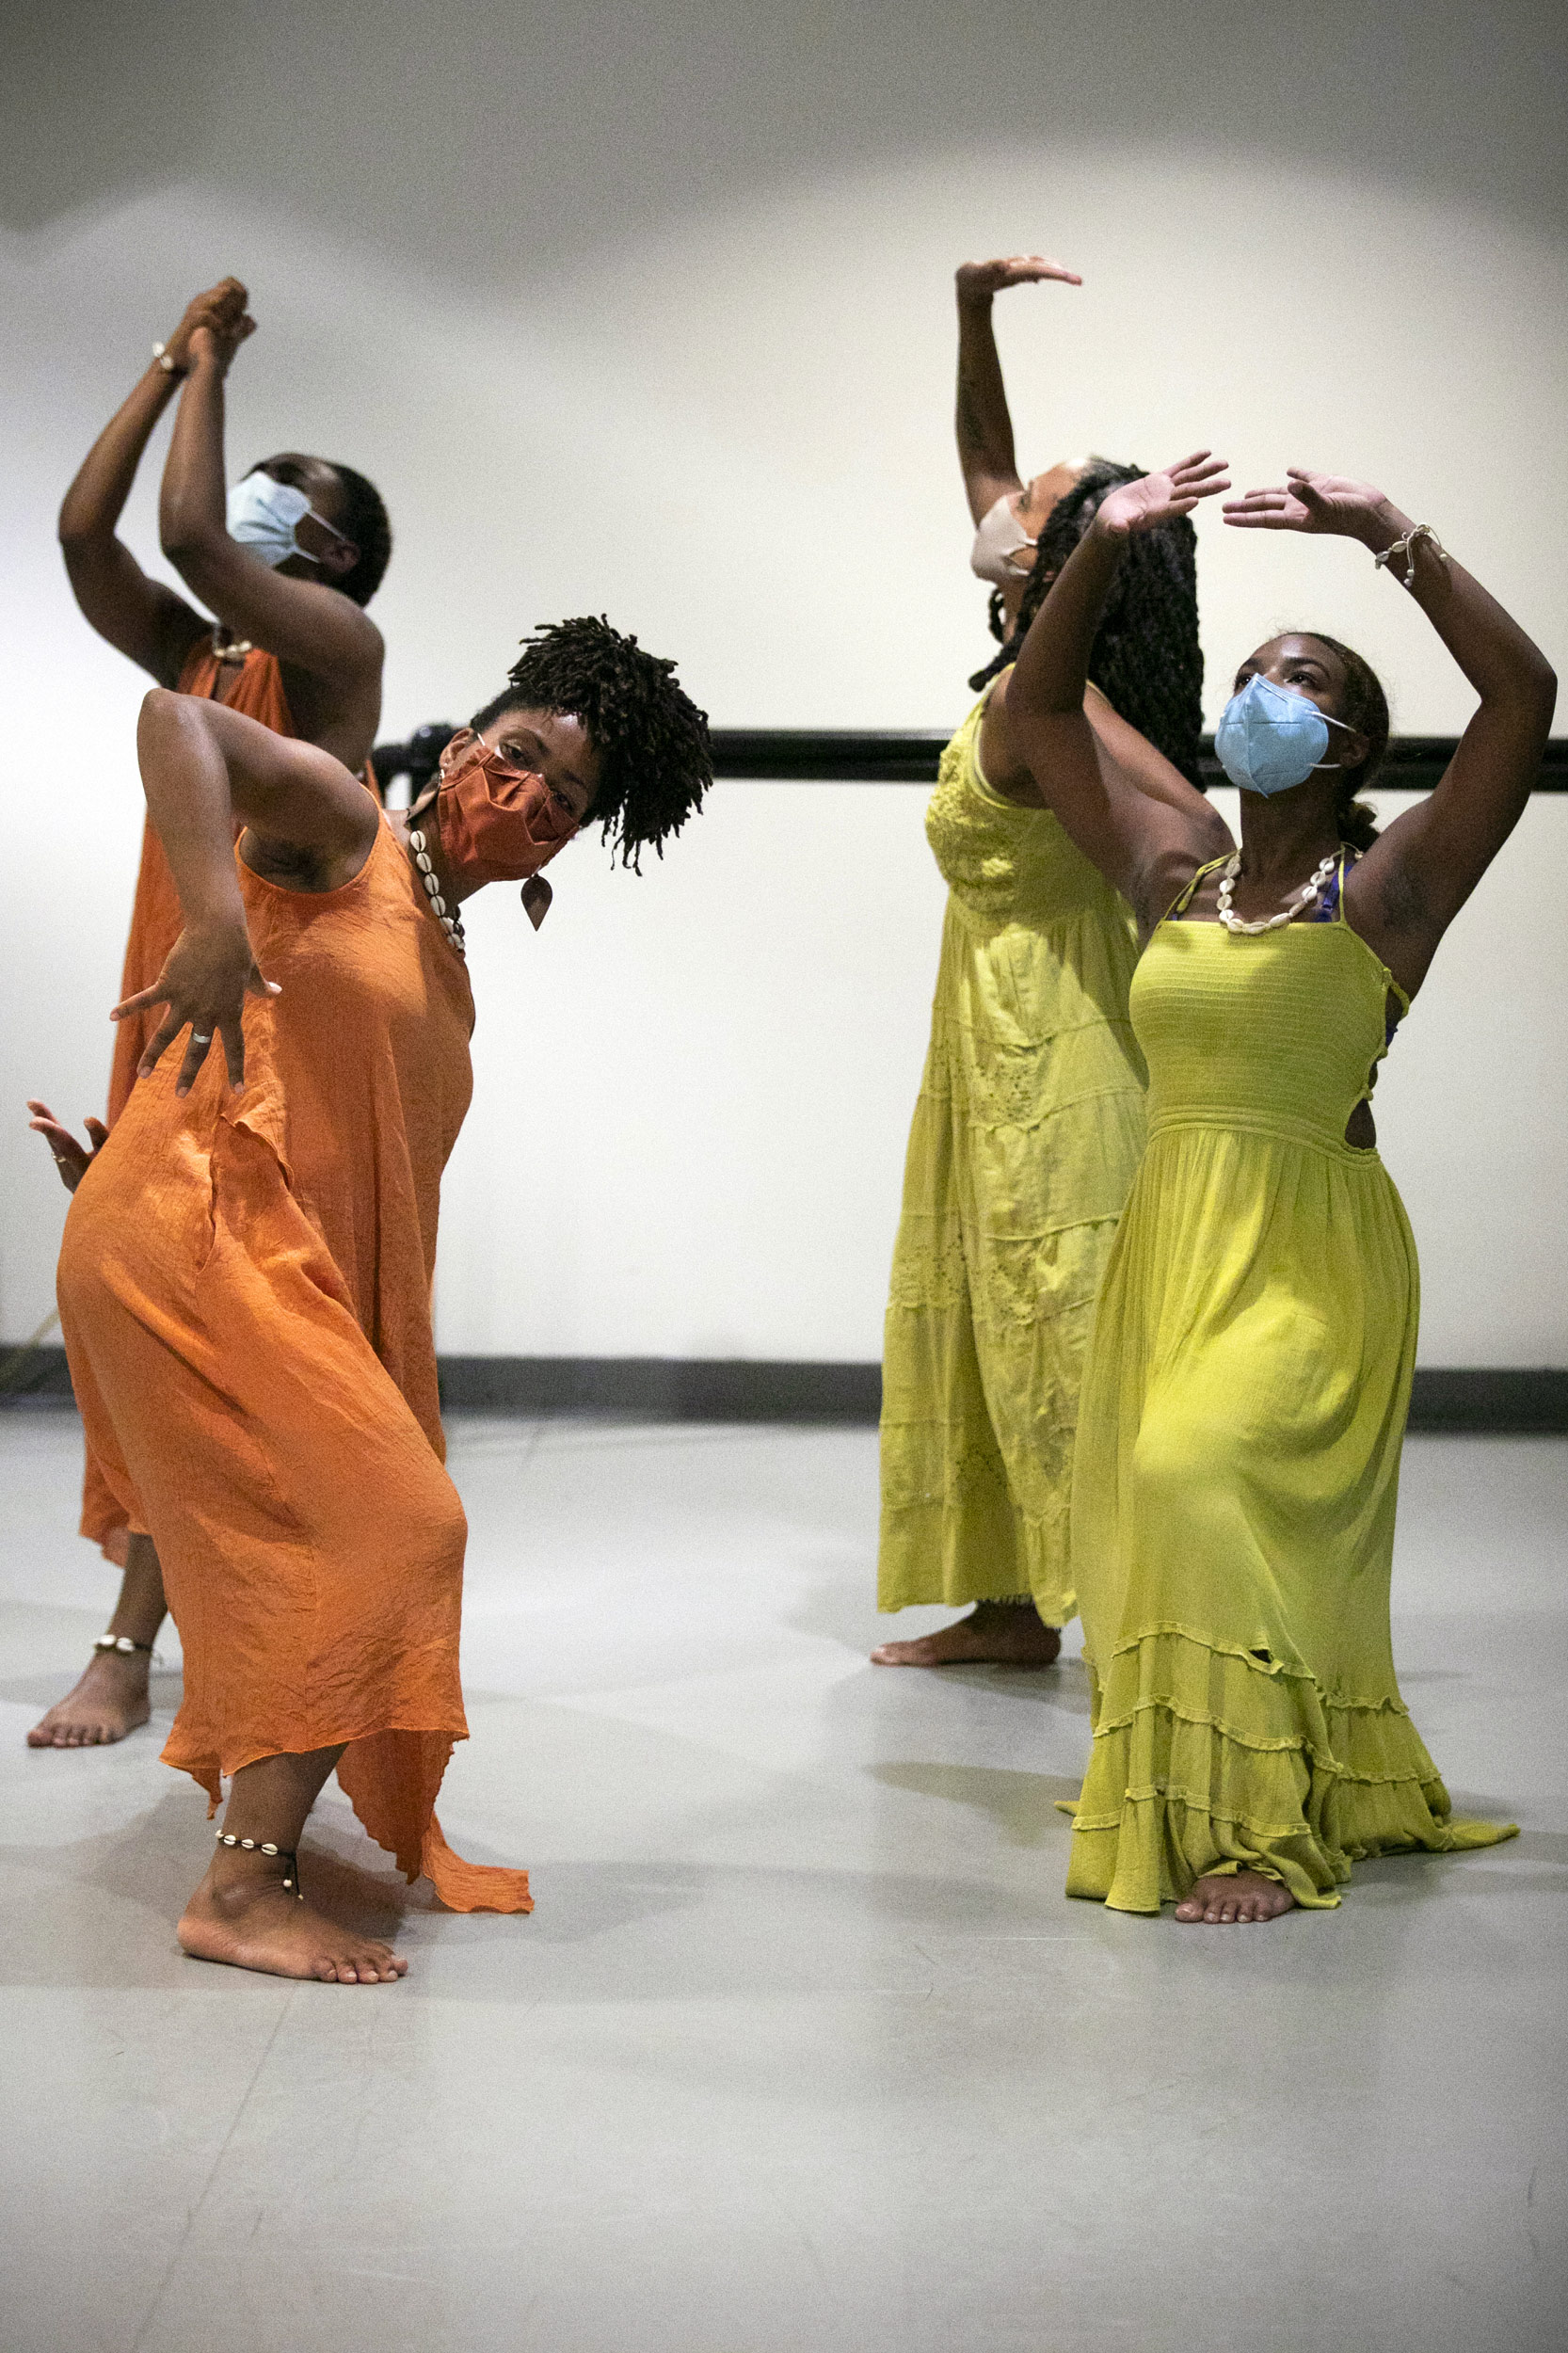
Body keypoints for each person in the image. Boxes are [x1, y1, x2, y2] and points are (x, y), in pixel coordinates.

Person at [33, 616, 711, 1982]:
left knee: (327, 1534)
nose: (525, 801)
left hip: (230, 1229)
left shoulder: (441, 928)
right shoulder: (347, 826)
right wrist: (213, 924)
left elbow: (326, 1083)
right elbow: (178, 724)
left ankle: (246, 1843)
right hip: (202, 1227)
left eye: (562, 800)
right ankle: (240, 1888)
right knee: (405, 1527)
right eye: (513, 760)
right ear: (458, 748)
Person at [1000, 452, 1553, 1922]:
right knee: (1180, 1509)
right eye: (1250, 669)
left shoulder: (1392, 892)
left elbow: (1521, 704)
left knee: (1198, 1473)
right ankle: (1235, 1771)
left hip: (1310, 1251)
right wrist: (1101, 550)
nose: (1262, 690)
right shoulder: (1169, 870)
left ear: (1351, 738)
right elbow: (1037, 713)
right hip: (1171, 1238)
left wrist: (1392, 535)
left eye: (1296, 677)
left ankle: (1248, 1830)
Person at [32, 279, 392, 1752]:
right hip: (171, 1003)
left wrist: (211, 368)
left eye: (276, 504)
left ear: (337, 559)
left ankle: (222, 1639)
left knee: (229, 1335)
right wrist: (161, 360)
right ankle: (139, 1633)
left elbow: (184, 535)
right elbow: (83, 536)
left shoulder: (333, 666)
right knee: (147, 1326)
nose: (240, 511)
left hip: (263, 1032)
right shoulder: (197, 663)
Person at [872, 255, 1227, 1670]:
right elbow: (982, 459)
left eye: (1043, 512)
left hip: (1062, 1049)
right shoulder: (1038, 660)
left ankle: (1135, 1625)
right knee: (982, 1315)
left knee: (1059, 1324)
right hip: (987, 1031)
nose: (1006, 508)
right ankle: (1015, 1606)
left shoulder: (1049, 701)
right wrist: (969, 310)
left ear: (1064, 563)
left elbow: (1192, 829)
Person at [952, 251, 1088, 644]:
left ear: (1055, 563)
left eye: (1025, 500)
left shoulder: (1063, 693)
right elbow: (988, 463)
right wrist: (974, 303)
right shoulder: (1035, 670)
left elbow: (988, 467)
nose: (1005, 499)